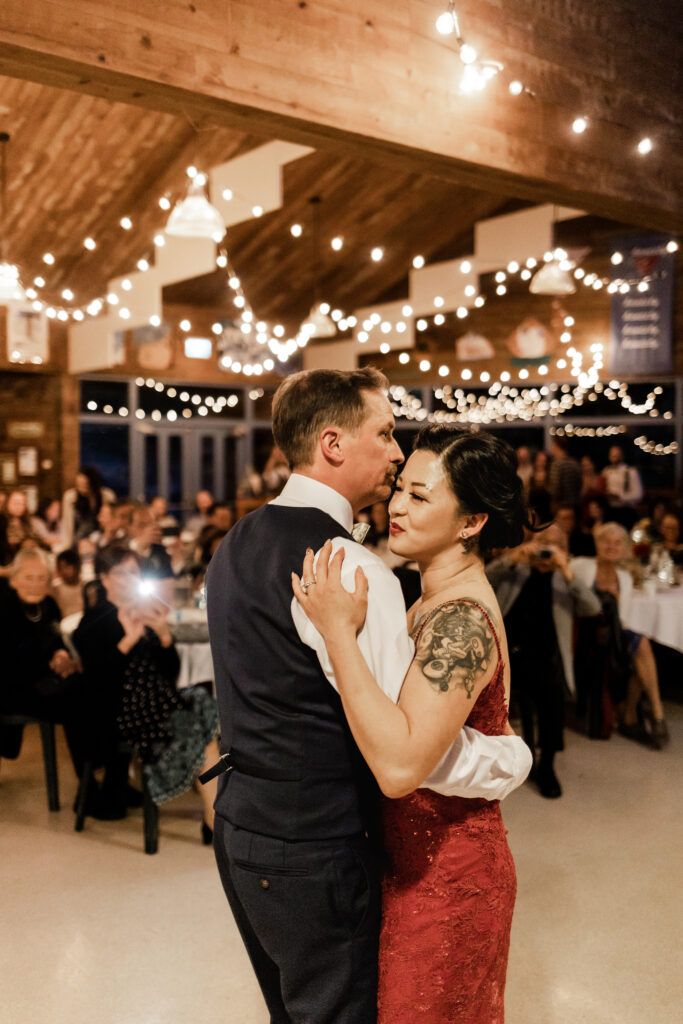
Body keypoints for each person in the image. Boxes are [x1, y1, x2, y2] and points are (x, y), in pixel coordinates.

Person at [206, 368, 531, 1024]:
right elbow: (403, 756)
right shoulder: (352, 569)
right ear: (332, 443)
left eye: (417, 490)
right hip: (321, 845)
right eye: (384, 435)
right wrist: (510, 760)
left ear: (471, 520)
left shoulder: (236, 540)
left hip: (244, 831)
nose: (392, 457)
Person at [293, 423, 535, 1022]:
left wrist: (339, 634)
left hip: (450, 876)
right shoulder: (426, 598)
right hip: (410, 865)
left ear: (471, 522)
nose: (397, 505)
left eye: (421, 497)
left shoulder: (461, 620)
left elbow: (402, 767)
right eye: (401, 488)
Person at [73, 544, 220, 831]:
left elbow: (168, 674)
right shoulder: (95, 620)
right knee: (199, 717)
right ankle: (215, 815)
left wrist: (164, 635)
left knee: (201, 706)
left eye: (134, 572)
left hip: (155, 702)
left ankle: (214, 813)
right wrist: (128, 641)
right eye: (122, 573)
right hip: (115, 709)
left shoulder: (145, 611)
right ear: (105, 579)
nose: (130, 579)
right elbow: (98, 681)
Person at [487, 524, 601, 797]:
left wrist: (565, 570)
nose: (547, 550)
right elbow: (482, 579)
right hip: (507, 653)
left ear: (564, 551)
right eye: (542, 543)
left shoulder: (565, 578)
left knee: (552, 699)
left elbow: (593, 607)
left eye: (555, 545)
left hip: (546, 656)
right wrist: (511, 559)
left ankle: (547, 763)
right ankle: (519, 759)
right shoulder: (517, 571)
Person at [571, 523, 669, 748]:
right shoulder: (581, 565)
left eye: (617, 543)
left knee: (642, 644)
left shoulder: (624, 577)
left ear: (625, 548)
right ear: (597, 543)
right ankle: (640, 716)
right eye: (606, 541)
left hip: (611, 635)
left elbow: (621, 620)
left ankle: (652, 712)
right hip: (586, 635)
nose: (611, 547)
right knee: (641, 647)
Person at [0, 549, 87, 774]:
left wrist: (60, 654)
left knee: (90, 689)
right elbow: (9, 661)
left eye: (41, 578)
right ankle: (90, 785)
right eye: (29, 578)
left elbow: (56, 639)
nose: (35, 584)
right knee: (78, 701)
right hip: (14, 689)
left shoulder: (48, 604)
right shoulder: (5, 607)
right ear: (14, 579)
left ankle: (96, 780)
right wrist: (50, 664)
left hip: (46, 682)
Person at [61, 467, 116, 548]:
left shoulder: (106, 496)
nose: (82, 488)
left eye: (85, 484)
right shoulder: (71, 498)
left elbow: (111, 520)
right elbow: (67, 525)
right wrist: (67, 546)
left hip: (101, 541)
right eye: (79, 485)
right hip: (79, 542)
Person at [602, 445, 643, 527]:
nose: (614, 456)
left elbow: (638, 494)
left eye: (616, 454)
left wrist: (620, 496)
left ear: (622, 455)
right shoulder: (605, 471)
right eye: (612, 454)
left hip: (626, 511)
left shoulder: (630, 472)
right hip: (610, 511)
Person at [548, 436, 582, 509]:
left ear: (556, 446)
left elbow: (555, 488)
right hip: (574, 504)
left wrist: (553, 502)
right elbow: (579, 483)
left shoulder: (557, 464)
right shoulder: (574, 463)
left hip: (561, 505)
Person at [51, 548, 84, 618]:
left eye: (67, 566)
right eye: (60, 568)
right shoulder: (56, 590)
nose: (63, 571)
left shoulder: (86, 587)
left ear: (76, 566)